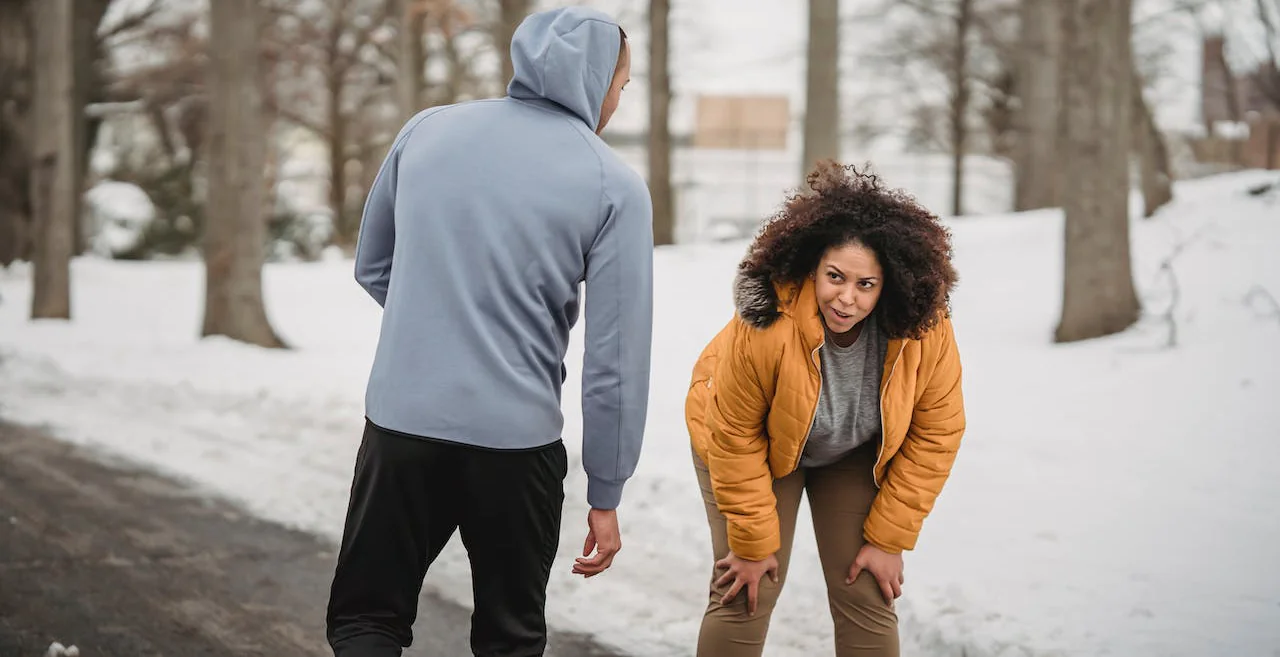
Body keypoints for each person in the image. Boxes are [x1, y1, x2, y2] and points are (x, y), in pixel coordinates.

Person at [325, 7, 653, 657]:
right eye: (621, 83)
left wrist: (440, 324)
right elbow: (615, 362)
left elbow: (374, 264)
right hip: (515, 445)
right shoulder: (612, 183)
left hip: (402, 428)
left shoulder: (427, 130)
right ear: (595, 79)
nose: (619, 97)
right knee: (510, 638)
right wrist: (606, 490)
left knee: (368, 618)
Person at [684, 161, 965, 656]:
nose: (846, 298)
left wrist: (888, 539)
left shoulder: (923, 329)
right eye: (835, 277)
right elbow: (734, 433)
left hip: (850, 451)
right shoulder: (768, 321)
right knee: (749, 587)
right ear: (812, 267)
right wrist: (750, 546)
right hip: (754, 448)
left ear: (890, 285)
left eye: (866, 285)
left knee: (867, 586)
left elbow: (936, 433)